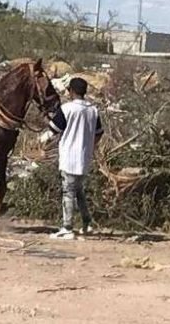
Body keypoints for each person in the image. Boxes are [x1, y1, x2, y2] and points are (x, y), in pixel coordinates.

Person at [48, 77, 103, 240]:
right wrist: (90, 146)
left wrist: (41, 140)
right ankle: (87, 222)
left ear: (71, 91)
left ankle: (67, 227)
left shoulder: (67, 109)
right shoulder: (93, 110)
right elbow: (99, 133)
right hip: (84, 157)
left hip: (69, 157)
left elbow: (53, 129)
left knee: (68, 191)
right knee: (78, 190)